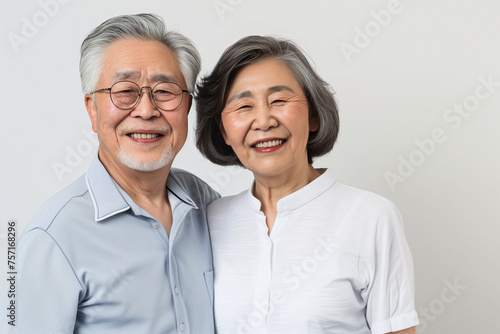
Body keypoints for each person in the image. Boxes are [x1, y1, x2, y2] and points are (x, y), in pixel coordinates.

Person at [2, 13, 218, 333]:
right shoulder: (51, 238)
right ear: (92, 108)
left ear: (187, 108)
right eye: (124, 90)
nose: (146, 110)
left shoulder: (206, 203)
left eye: (165, 91)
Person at [196, 35, 419, 334]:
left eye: (278, 100)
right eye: (243, 106)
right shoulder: (207, 222)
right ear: (223, 131)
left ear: (313, 115)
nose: (263, 121)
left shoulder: (370, 217)